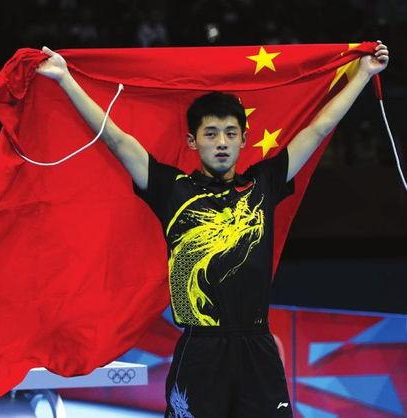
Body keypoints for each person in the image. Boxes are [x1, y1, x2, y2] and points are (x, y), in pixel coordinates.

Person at [35, 42, 389, 418]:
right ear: (193, 141)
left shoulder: (264, 183)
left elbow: (317, 130)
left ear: (243, 139)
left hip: (256, 346)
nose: (222, 142)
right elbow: (118, 140)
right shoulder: (172, 189)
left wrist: (363, 75)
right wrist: (66, 79)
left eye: (230, 133)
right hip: (200, 349)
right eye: (211, 133)